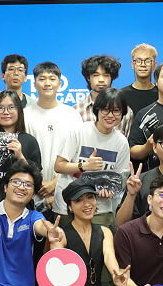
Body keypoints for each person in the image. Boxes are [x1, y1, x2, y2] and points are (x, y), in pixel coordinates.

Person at [54, 88, 131, 224]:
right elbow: (59, 166)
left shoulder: (122, 142)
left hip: (101, 208)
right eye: (105, 110)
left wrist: (110, 190)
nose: (110, 115)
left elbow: (120, 179)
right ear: (97, 110)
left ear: (122, 114)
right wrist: (84, 166)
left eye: (116, 111)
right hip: (69, 205)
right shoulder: (79, 131)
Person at [24, 61, 82, 207]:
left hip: (66, 190)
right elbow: (23, 155)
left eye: (52, 79)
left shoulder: (72, 115)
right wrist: (38, 183)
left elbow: (78, 154)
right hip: (32, 190)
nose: (47, 83)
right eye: (42, 79)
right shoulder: (25, 115)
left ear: (60, 83)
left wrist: (55, 183)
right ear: (34, 84)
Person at [78, 54, 133, 135]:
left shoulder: (125, 112)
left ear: (112, 78)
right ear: (88, 78)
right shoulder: (76, 111)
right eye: (96, 75)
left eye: (106, 75)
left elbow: (127, 141)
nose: (101, 80)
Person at [117, 43, 159, 119]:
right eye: (138, 61)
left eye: (148, 61)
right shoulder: (121, 95)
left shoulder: (162, 94)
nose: (143, 65)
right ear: (132, 64)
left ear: (155, 65)